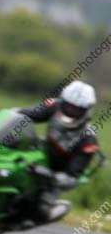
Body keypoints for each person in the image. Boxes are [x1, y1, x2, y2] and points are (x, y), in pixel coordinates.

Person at [18, 80, 99, 224]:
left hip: (58, 171)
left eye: (77, 110)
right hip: (43, 152)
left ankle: (49, 207)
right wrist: (2, 115)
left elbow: (72, 176)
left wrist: (51, 177)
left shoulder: (89, 139)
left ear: (86, 110)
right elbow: (27, 115)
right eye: (68, 106)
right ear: (63, 102)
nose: (71, 112)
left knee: (39, 213)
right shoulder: (53, 105)